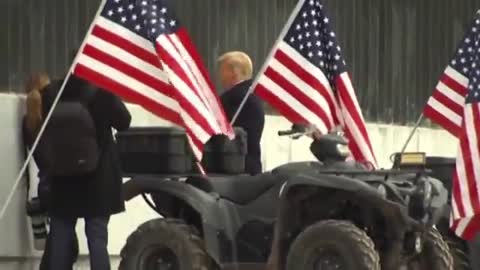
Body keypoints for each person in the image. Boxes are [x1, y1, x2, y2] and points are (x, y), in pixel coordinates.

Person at [40, 74, 131, 270]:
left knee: (60, 239)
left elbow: (44, 126)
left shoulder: (51, 93)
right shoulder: (103, 93)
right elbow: (124, 121)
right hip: (97, 178)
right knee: (97, 239)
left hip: (62, 177)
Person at [22, 72, 80, 270]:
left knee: (59, 239)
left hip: (46, 184)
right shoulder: (53, 119)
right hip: (59, 184)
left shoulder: (29, 121)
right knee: (63, 242)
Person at [218, 51, 265, 175]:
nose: (220, 77)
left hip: (234, 170)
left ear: (234, 73)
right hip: (252, 168)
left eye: (223, 71)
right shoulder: (254, 97)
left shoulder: (233, 98)